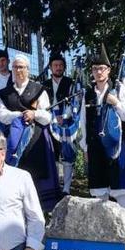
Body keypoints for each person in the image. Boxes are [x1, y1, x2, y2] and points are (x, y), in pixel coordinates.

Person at [0, 54, 62, 212]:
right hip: (12, 141)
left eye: (21, 67)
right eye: (15, 67)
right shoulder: (5, 93)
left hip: (36, 140)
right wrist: (18, 115)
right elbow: (0, 114)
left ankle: (40, 213)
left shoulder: (38, 90)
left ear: (28, 69)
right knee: (14, 175)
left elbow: (47, 117)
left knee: (36, 175)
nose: (18, 70)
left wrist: (34, 114)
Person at [79, 44, 125, 209]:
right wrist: (85, 146)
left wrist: (116, 102)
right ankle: (103, 220)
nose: (98, 72)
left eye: (102, 68)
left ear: (109, 70)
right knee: (99, 184)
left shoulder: (118, 89)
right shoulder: (87, 94)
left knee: (119, 184)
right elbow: (83, 120)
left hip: (115, 142)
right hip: (95, 144)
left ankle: (124, 218)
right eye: (95, 69)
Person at [42, 52, 76, 194]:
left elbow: (74, 103)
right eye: (55, 65)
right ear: (50, 67)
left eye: (61, 65)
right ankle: (54, 186)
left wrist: (65, 115)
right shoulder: (44, 85)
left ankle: (66, 188)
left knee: (68, 152)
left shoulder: (71, 83)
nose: (58, 67)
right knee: (51, 153)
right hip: (49, 120)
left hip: (66, 121)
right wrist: (51, 117)